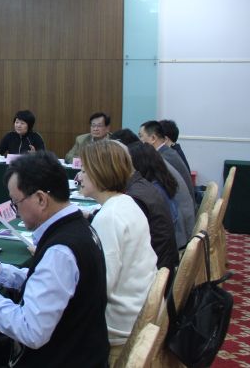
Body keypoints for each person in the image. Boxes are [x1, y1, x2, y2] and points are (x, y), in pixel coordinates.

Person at [0, 152, 109, 368]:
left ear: (41, 199)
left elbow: (31, 331)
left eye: (16, 203)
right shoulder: (78, 226)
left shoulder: (61, 251)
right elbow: (56, 285)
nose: (15, 211)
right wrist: (1, 272)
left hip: (61, 357)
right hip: (77, 346)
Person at [80, 140, 157, 364]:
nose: (79, 176)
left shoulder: (109, 217)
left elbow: (100, 287)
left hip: (118, 325)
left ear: (99, 172)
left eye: (84, 170)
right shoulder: (127, 202)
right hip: (138, 309)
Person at [122, 142, 179, 271]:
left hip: (158, 266)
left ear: (137, 165)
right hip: (167, 258)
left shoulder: (145, 192)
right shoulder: (157, 183)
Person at [128, 140, 194, 249]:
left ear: (138, 164)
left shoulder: (151, 191)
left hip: (172, 247)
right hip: (178, 239)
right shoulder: (161, 179)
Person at [139, 120, 194, 193]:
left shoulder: (163, 158)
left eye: (141, 136)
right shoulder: (168, 152)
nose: (139, 141)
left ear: (153, 138)